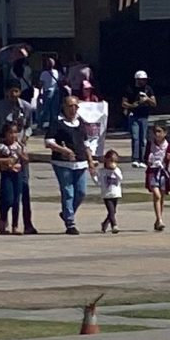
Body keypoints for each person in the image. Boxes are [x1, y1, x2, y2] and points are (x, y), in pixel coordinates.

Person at [0, 84, 37, 234]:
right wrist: (3, 135)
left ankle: (26, 223)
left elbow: (30, 125)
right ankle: (4, 219)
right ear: (6, 92)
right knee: (7, 192)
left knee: (23, 188)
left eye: (16, 91)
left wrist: (24, 138)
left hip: (20, 149)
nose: (13, 94)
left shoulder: (26, 107)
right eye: (11, 91)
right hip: (5, 152)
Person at [45, 95, 97, 235]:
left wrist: (91, 161)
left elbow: (86, 144)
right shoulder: (57, 121)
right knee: (68, 192)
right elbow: (49, 142)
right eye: (70, 106)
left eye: (75, 106)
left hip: (80, 162)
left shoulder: (80, 122)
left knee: (81, 192)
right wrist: (64, 150)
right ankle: (70, 223)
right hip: (62, 163)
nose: (73, 109)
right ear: (64, 107)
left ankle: (67, 212)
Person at [0, 122, 27, 234]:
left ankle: (15, 225)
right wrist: (5, 161)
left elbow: (26, 159)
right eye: (10, 132)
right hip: (6, 175)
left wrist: (21, 155)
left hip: (18, 175)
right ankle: (2, 219)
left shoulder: (19, 146)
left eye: (15, 132)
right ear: (5, 134)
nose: (13, 135)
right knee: (7, 199)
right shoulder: (1, 147)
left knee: (16, 200)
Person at [144, 122, 170, 231]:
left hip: (163, 173)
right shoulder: (150, 144)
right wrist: (148, 161)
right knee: (157, 195)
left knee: (161, 197)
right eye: (155, 132)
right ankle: (159, 219)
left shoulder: (168, 145)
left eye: (159, 131)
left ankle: (158, 219)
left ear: (165, 133)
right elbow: (145, 157)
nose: (157, 134)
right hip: (152, 172)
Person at [121, 70, 156, 168]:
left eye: (145, 80)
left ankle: (143, 159)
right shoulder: (129, 89)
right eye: (142, 80)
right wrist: (132, 105)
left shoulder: (148, 89)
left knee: (143, 139)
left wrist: (147, 99)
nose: (144, 82)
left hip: (144, 116)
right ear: (137, 80)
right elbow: (123, 103)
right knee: (135, 137)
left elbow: (154, 103)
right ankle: (135, 158)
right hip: (133, 115)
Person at [98, 149, 123, 233]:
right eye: (110, 161)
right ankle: (114, 225)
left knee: (113, 211)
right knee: (111, 211)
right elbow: (98, 182)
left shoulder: (117, 170)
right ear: (106, 161)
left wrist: (114, 170)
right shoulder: (102, 171)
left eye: (114, 161)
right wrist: (93, 174)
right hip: (107, 194)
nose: (112, 163)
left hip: (115, 193)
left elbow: (120, 178)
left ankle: (105, 223)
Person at [38, 56, 61, 129]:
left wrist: (40, 92)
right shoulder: (57, 72)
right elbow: (61, 81)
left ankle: (40, 125)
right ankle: (52, 125)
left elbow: (40, 84)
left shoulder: (44, 73)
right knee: (54, 110)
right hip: (56, 92)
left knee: (45, 109)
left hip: (47, 92)